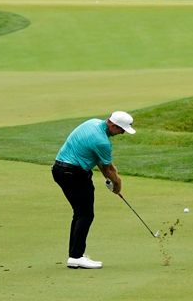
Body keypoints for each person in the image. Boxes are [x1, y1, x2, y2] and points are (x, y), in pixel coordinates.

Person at [52, 111, 136, 270]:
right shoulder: (102, 142)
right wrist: (117, 186)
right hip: (73, 174)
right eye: (121, 129)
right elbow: (108, 169)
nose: (123, 133)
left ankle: (75, 255)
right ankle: (76, 257)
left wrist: (113, 180)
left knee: (80, 213)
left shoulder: (93, 123)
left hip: (60, 170)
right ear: (112, 125)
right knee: (85, 214)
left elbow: (100, 161)